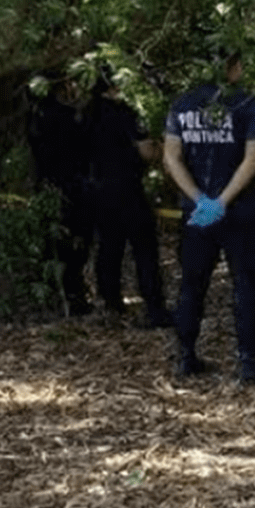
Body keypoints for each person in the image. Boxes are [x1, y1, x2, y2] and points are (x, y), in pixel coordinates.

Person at [163, 50, 255, 383]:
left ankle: (185, 355)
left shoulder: (182, 105)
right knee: (244, 284)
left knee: (192, 284)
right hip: (240, 210)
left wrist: (199, 200)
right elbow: (253, 158)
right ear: (232, 68)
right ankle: (248, 360)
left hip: (197, 214)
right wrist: (222, 201)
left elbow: (171, 157)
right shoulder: (248, 104)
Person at [86, 72, 172, 328]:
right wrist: (160, 149)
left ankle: (111, 303)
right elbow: (146, 150)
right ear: (114, 85)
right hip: (128, 189)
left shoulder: (86, 113)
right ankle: (154, 308)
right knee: (144, 249)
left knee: (108, 248)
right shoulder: (125, 112)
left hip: (98, 190)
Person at [27, 75, 94, 316]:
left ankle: (57, 293)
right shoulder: (69, 117)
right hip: (71, 188)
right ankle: (71, 293)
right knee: (73, 243)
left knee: (55, 243)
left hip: (50, 188)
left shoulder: (37, 116)